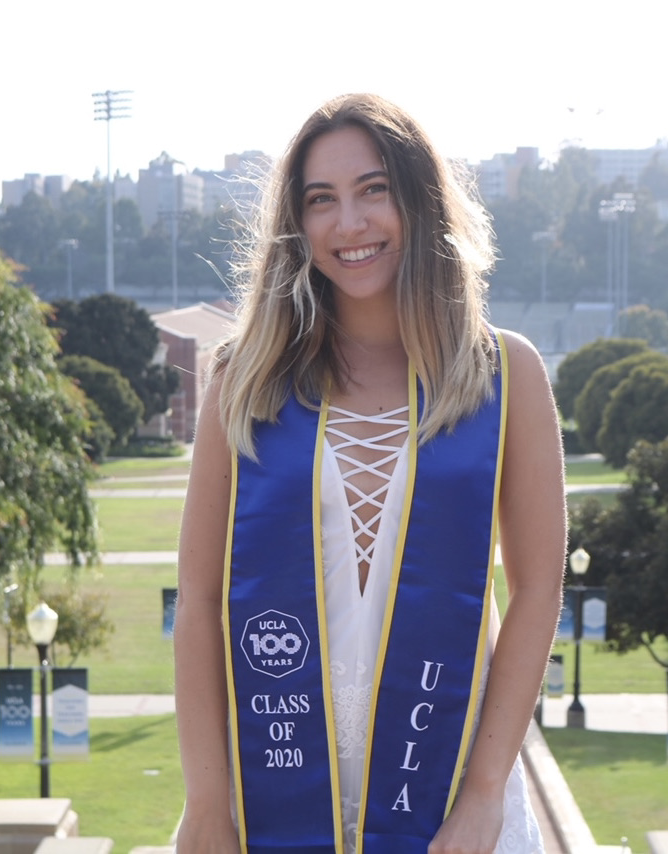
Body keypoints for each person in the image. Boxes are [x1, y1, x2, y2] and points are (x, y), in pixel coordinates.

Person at [174, 93, 566, 854]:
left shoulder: (503, 375)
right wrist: (207, 804)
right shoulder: (244, 380)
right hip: (271, 792)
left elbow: (538, 589)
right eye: (322, 200)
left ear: (420, 201)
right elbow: (199, 600)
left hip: (447, 791)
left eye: (373, 190)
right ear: (298, 224)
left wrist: (485, 797)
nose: (348, 224)